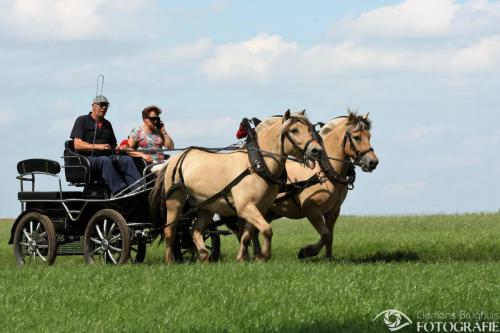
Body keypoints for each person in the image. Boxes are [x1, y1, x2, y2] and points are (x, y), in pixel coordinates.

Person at [70, 95, 142, 194]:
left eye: (106, 105)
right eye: (101, 105)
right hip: (88, 159)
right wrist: (98, 146)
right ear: (93, 106)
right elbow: (77, 145)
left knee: (126, 159)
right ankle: (120, 191)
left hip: (108, 156)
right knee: (104, 160)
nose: (104, 108)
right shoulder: (82, 120)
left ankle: (138, 188)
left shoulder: (107, 124)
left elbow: (113, 146)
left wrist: (121, 148)